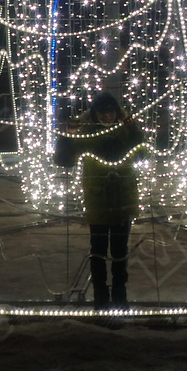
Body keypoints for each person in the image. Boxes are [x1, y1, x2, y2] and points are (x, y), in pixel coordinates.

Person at [54, 91, 145, 308]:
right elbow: (63, 160)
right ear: (94, 113)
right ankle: (101, 294)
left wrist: (133, 131)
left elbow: (142, 155)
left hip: (123, 198)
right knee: (98, 249)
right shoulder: (86, 133)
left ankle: (120, 294)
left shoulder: (125, 131)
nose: (106, 115)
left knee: (120, 250)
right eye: (102, 111)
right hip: (98, 199)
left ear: (116, 111)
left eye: (110, 111)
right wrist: (66, 134)